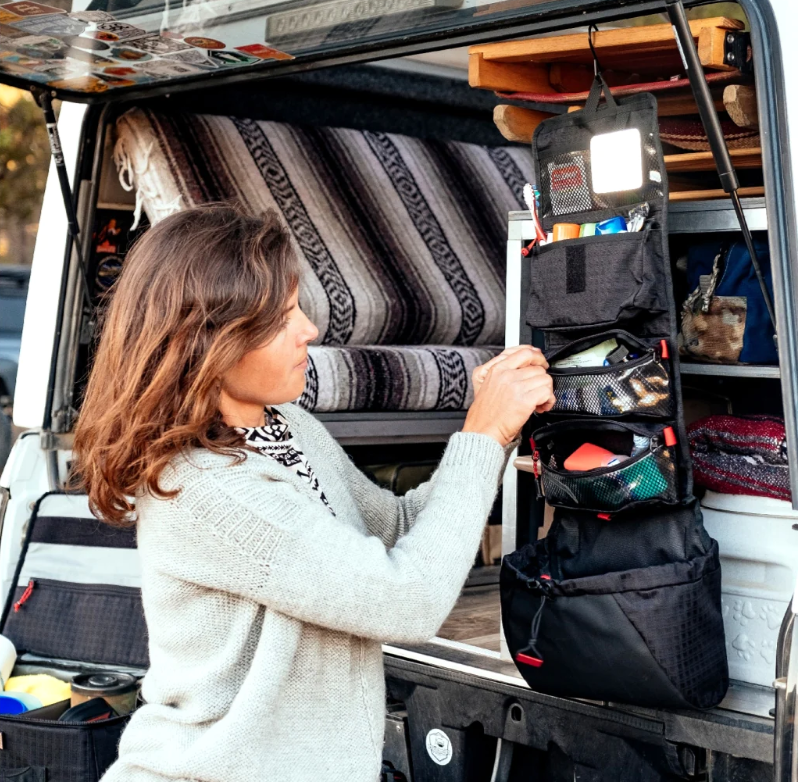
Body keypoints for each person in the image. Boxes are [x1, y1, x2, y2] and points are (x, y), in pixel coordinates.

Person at [72, 203, 554, 782]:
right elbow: (407, 599)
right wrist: (483, 432)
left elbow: (399, 527)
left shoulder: (286, 426)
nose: (310, 329)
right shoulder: (201, 489)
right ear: (210, 341)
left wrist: (494, 427)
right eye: (281, 317)